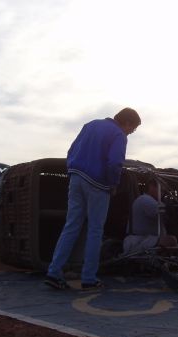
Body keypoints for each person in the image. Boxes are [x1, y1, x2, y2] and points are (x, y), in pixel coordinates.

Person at [45, 107, 141, 290]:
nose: (131, 132)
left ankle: (54, 271)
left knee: (71, 226)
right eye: (133, 129)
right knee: (95, 231)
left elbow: (71, 150)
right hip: (98, 185)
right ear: (127, 123)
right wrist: (113, 184)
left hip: (75, 178)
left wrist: (73, 172)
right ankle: (88, 278)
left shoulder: (90, 125)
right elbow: (115, 163)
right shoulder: (119, 135)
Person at [123, 177, 178, 255]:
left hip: (147, 239)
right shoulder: (145, 199)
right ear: (151, 186)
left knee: (173, 241)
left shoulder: (155, 202)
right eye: (161, 190)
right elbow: (164, 212)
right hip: (137, 241)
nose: (162, 193)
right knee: (171, 240)